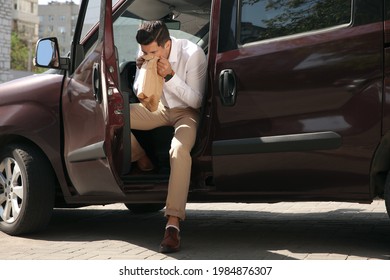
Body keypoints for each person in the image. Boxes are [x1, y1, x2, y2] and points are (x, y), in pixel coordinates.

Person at [131, 21, 207, 253]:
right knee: (112, 117)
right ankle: (141, 158)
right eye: (145, 52)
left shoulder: (192, 54)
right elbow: (138, 90)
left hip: (187, 113)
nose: (148, 55)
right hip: (159, 108)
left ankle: (172, 224)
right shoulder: (146, 51)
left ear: (166, 45)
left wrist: (171, 76)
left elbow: (197, 101)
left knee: (178, 149)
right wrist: (143, 70)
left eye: (153, 52)